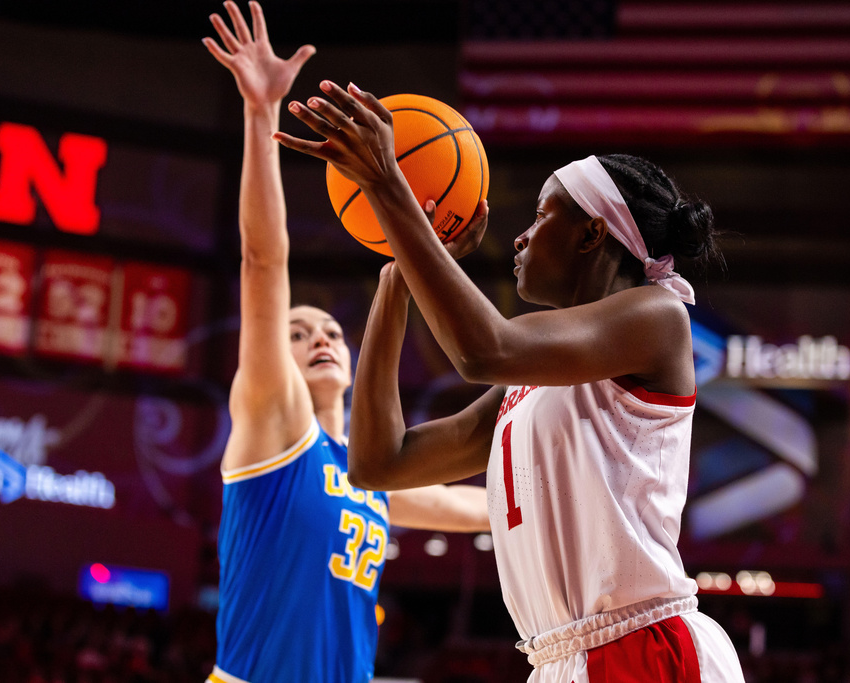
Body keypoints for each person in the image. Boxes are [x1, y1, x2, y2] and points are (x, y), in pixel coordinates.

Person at [275, 81, 747, 682]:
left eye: (542, 213)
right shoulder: (530, 385)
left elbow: (483, 349)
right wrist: (399, 274)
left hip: (641, 647)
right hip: (556, 658)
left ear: (591, 233)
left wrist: (388, 183)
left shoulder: (656, 316)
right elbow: (377, 463)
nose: (520, 235)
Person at [201, 5, 489, 683]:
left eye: (329, 329)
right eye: (298, 333)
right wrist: (259, 112)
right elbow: (264, 261)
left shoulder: (374, 472)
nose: (320, 337)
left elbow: (479, 506)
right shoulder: (276, 425)